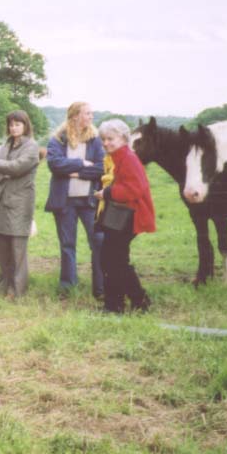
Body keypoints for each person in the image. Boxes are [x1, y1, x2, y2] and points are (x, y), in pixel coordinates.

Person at [45, 101, 105, 299]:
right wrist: (81, 163)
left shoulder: (95, 140)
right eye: (87, 113)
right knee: (67, 245)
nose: (91, 116)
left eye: (91, 113)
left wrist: (75, 173)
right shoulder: (58, 139)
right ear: (75, 116)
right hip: (65, 202)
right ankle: (68, 287)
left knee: (97, 242)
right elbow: (55, 164)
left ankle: (101, 288)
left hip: (90, 201)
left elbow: (100, 168)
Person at [93, 119, 155, 313]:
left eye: (110, 138)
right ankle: (121, 303)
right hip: (121, 215)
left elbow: (136, 189)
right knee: (111, 259)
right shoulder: (118, 156)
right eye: (103, 139)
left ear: (122, 137)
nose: (106, 143)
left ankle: (133, 301)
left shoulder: (127, 157)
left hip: (130, 216)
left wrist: (108, 193)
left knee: (113, 260)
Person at [0, 110, 40, 298]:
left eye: (17, 124)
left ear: (25, 125)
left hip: (19, 203)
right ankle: (5, 284)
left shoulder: (32, 146)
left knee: (17, 249)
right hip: (1, 202)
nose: (13, 127)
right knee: (1, 247)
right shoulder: (6, 145)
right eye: (11, 124)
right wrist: (4, 168)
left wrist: (0, 166)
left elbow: (19, 167)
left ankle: (18, 290)